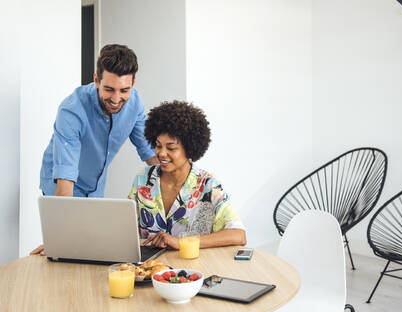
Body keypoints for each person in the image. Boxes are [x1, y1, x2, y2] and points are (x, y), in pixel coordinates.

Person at [31, 44, 158, 255]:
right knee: (67, 250)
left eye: (124, 90)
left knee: (91, 249)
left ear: (133, 83)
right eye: (109, 89)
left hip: (96, 186)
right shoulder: (72, 110)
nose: (116, 99)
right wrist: (60, 236)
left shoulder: (135, 104)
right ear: (97, 80)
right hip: (63, 188)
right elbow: (65, 179)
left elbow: (150, 153)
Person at [130, 100, 246, 249]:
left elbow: (238, 235)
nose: (161, 153)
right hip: (149, 269)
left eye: (171, 148)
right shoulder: (143, 179)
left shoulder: (208, 185)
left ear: (189, 149)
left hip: (193, 269)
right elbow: (124, 228)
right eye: (158, 146)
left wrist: (182, 242)